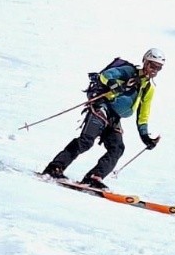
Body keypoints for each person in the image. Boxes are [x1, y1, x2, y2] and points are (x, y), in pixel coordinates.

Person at [41, 48, 165, 188]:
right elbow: (105, 75)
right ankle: (55, 167)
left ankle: (94, 177)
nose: (154, 70)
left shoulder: (149, 88)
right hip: (102, 108)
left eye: (159, 68)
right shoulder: (129, 71)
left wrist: (145, 137)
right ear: (145, 62)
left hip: (114, 118)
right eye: (152, 65)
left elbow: (143, 114)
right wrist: (114, 84)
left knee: (117, 148)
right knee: (86, 141)